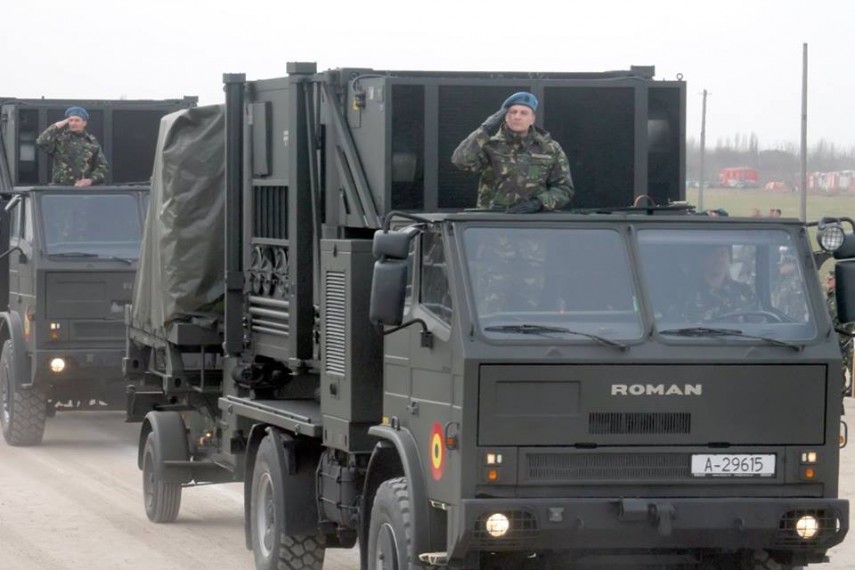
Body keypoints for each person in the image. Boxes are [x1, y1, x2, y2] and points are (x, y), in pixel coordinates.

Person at [451, 91, 574, 213]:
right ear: (506, 117)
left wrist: (538, 203)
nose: (517, 117)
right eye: (513, 112)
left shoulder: (549, 148)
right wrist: (483, 130)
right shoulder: (490, 145)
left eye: (523, 113)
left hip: (534, 218)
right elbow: (460, 161)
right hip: (493, 218)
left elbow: (564, 189)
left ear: (532, 119)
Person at [36, 106, 108, 187]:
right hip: (60, 188)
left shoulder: (91, 142)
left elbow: (103, 167)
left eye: (77, 120)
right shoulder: (60, 140)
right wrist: (56, 126)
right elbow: (41, 142)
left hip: (82, 189)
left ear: (84, 123)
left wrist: (90, 180)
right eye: (71, 120)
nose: (73, 123)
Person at [681, 245, 757, 322]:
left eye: (723, 252)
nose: (720, 258)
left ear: (729, 256)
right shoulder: (685, 294)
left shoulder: (745, 292)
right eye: (713, 253)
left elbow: (758, 323)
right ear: (702, 257)